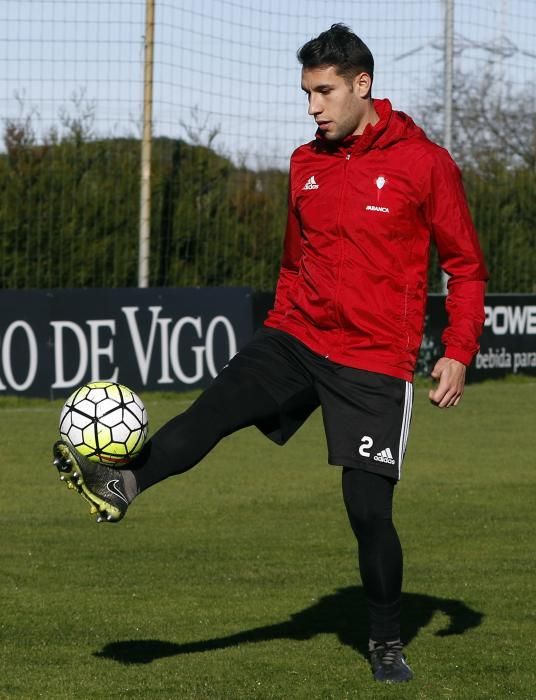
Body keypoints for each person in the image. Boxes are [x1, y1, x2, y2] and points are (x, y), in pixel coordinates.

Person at [52, 24, 488, 684]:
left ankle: (385, 640)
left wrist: (458, 349)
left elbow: (466, 265)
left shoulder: (425, 164)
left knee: (368, 512)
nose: (313, 106)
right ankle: (122, 482)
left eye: (324, 91)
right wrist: (281, 323)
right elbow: (294, 260)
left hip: (372, 361)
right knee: (212, 411)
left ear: (361, 86)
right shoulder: (305, 163)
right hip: (294, 337)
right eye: (307, 93)